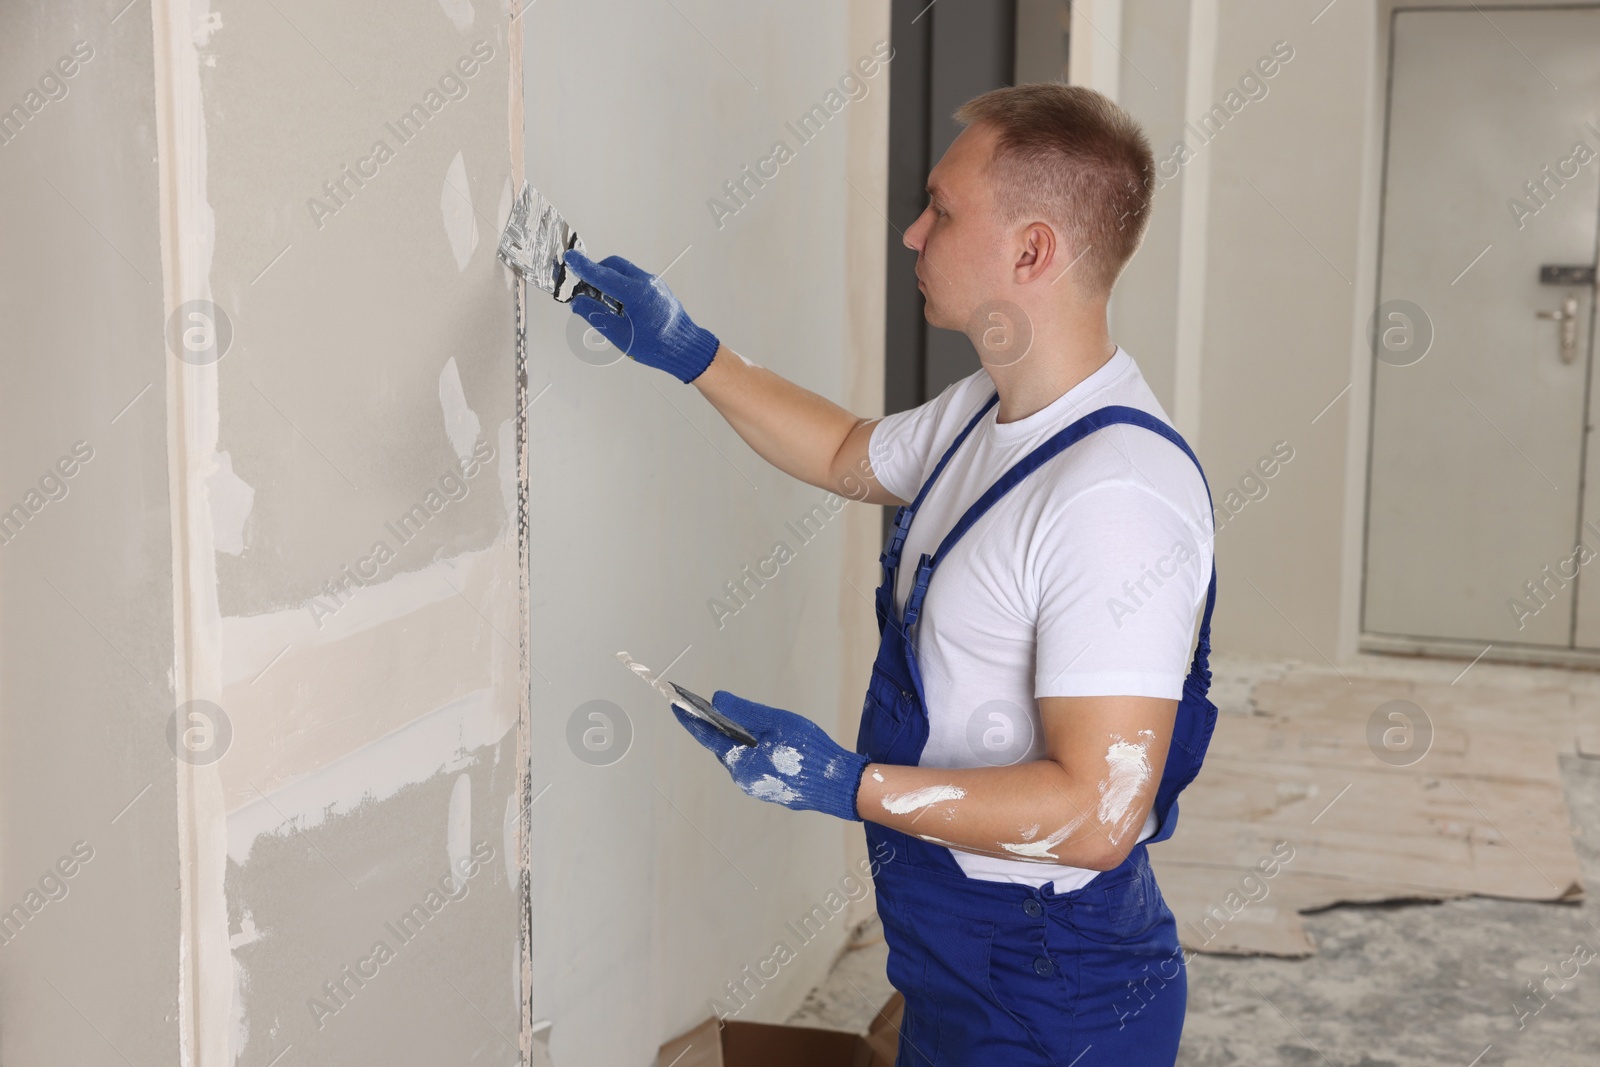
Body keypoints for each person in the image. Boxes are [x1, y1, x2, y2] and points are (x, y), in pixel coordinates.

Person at [563, 83, 1216, 1067]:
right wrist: (689, 350)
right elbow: (845, 453)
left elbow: (1095, 814)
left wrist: (850, 784)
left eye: (941, 210)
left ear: (1031, 251)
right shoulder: (978, 415)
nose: (912, 234)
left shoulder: (1115, 497)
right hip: (954, 952)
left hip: (1054, 998)